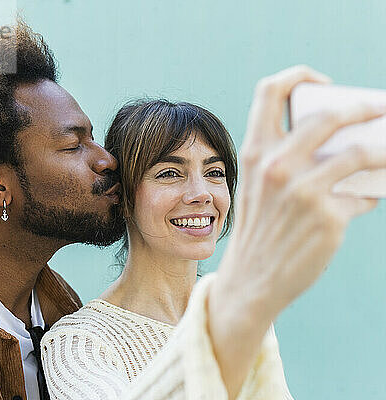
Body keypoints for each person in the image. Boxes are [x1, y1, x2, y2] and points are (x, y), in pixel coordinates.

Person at [0, 19, 386, 400]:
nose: (106, 163)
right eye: (74, 145)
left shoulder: (54, 310)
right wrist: (250, 288)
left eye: (216, 172)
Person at [41, 99, 293, 399]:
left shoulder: (243, 318)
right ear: (122, 196)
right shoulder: (80, 344)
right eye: (170, 173)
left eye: (214, 172)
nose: (201, 194)